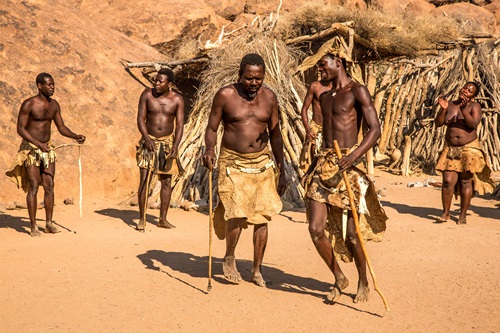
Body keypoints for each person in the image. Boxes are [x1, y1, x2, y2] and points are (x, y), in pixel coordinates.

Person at [301, 53, 387, 303]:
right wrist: (311, 169)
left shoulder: (357, 91)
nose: (321, 71)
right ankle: (338, 276)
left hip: (347, 166)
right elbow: (325, 138)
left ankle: (363, 280)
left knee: (352, 235)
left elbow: (375, 129)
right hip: (324, 166)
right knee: (315, 229)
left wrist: (355, 155)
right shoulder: (325, 96)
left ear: (338, 64)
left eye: (323, 66)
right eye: (318, 67)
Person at [202, 53, 286, 287]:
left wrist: (281, 168)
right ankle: (229, 256)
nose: (253, 83)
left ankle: (256, 269)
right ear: (240, 75)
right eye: (249, 78)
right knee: (236, 214)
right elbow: (212, 128)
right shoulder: (225, 95)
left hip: (262, 162)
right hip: (232, 162)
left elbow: (276, 135)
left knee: (262, 218)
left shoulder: (270, 98)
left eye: (258, 78)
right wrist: (210, 149)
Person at [6, 73, 86, 237]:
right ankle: (33, 225)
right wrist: (37, 144)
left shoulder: (54, 105)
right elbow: (20, 129)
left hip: (47, 150)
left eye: (53, 84)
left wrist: (75, 136)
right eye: (49, 84)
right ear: (39, 86)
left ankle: (49, 223)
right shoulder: (29, 104)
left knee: (49, 186)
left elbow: (61, 127)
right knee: (34, 186)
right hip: (31, 150)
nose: (52, 87)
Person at [434, 82, 494, 224]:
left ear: (474, 95)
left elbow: (473, 124)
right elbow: (438, 123)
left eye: (470, 90)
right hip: (451, 148)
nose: (466, 91)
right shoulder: (451, 104)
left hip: (468, 148)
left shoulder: (475, 106)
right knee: (448, 181)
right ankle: (445, 213)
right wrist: (443, 110)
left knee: (465, 181)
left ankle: (462, 214)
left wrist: (464, 109)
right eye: (465, 88)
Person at [136, 68, 185, 231]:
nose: (156, 83)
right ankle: (142, 218)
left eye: (160, 81)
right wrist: (147, 138)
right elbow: (140, 119)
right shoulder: (147, 95)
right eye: (155, 80)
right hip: (148, 143)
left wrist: (176, 146)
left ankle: (162, 219)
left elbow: (179, 125)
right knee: (144, 180)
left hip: (167, 144)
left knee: (166, 181)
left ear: (169, 84)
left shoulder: (177, 99)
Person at [299, 77, 332, 172]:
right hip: (316, 127)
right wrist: (308, 129)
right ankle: (309, 176)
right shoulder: (315, 86)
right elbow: (304, 109)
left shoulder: (338, 87)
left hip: (331, 128)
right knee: (311, 150)